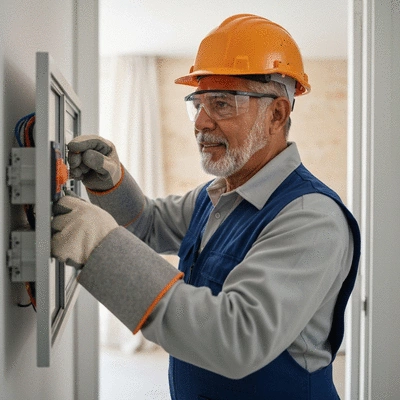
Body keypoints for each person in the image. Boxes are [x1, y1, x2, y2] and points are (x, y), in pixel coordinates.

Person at [51, 14, 360, 400]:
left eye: (222, 104)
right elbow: (145, 224)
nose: (200, 123)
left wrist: (98, 247)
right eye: (197, 103)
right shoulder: (217, 196)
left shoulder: (310, 218)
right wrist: (110, 183)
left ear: (277, 115)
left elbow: (236, 338)